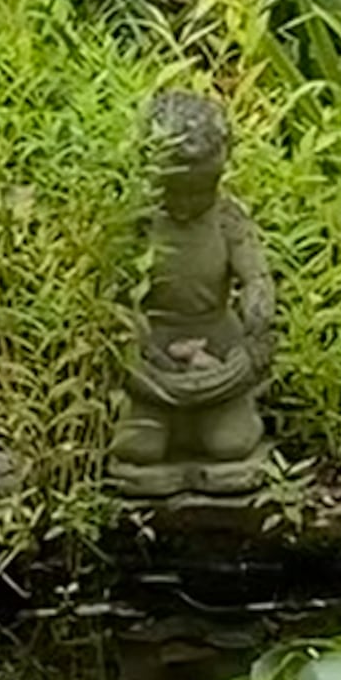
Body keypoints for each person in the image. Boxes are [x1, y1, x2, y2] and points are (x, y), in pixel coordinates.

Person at [109, 91, 274, 495]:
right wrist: (134, 357)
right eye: (172, 190)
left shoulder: (226, 217)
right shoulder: (137, 222)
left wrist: (258, 311)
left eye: (199, 191)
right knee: (138, 449)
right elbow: (114, 299)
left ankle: (212, 422)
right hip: (152, 350)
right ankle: (164, 426)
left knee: (230, 445)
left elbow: (255, 276)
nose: (185, 205)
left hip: (216, 342)